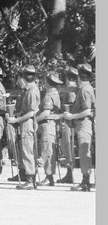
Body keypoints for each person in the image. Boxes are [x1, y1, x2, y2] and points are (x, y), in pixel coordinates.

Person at [63, 64, 95, 192]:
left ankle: (85, 182)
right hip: (82, 123)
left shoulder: (85, 89)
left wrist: (71, 116)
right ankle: (85, 180)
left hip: (84, 123)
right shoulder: (83, 88)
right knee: (83, 152)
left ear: (80, 77)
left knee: (83, 152)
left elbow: (87, 110)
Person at [9, 65, 41, 190]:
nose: (17, 82)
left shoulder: (32, 91)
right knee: (25, 150)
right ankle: (29, 178)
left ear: (23, 78)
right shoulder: (27, 90)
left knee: (28, 151)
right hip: (24, 122)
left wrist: (16, 119)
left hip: (28, 123)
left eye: (18, 79)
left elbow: (31, 113)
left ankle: (30, 179)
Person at [34, 71, 62, 186]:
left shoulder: (49, 96)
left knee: (47, 150)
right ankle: (49, 175)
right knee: (49, 150)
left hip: (47, 124)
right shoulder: (55, 94)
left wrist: (34, 120)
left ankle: (49, 176)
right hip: (51, 124)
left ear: (47, 82)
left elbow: (46, 113)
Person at [56, 66, 79, 184]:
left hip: (69, 122)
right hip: (71, 121)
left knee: (67, 147)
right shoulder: (71, 89)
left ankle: (70, 173)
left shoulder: (70, 90)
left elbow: (69, 107)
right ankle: (69, 173)